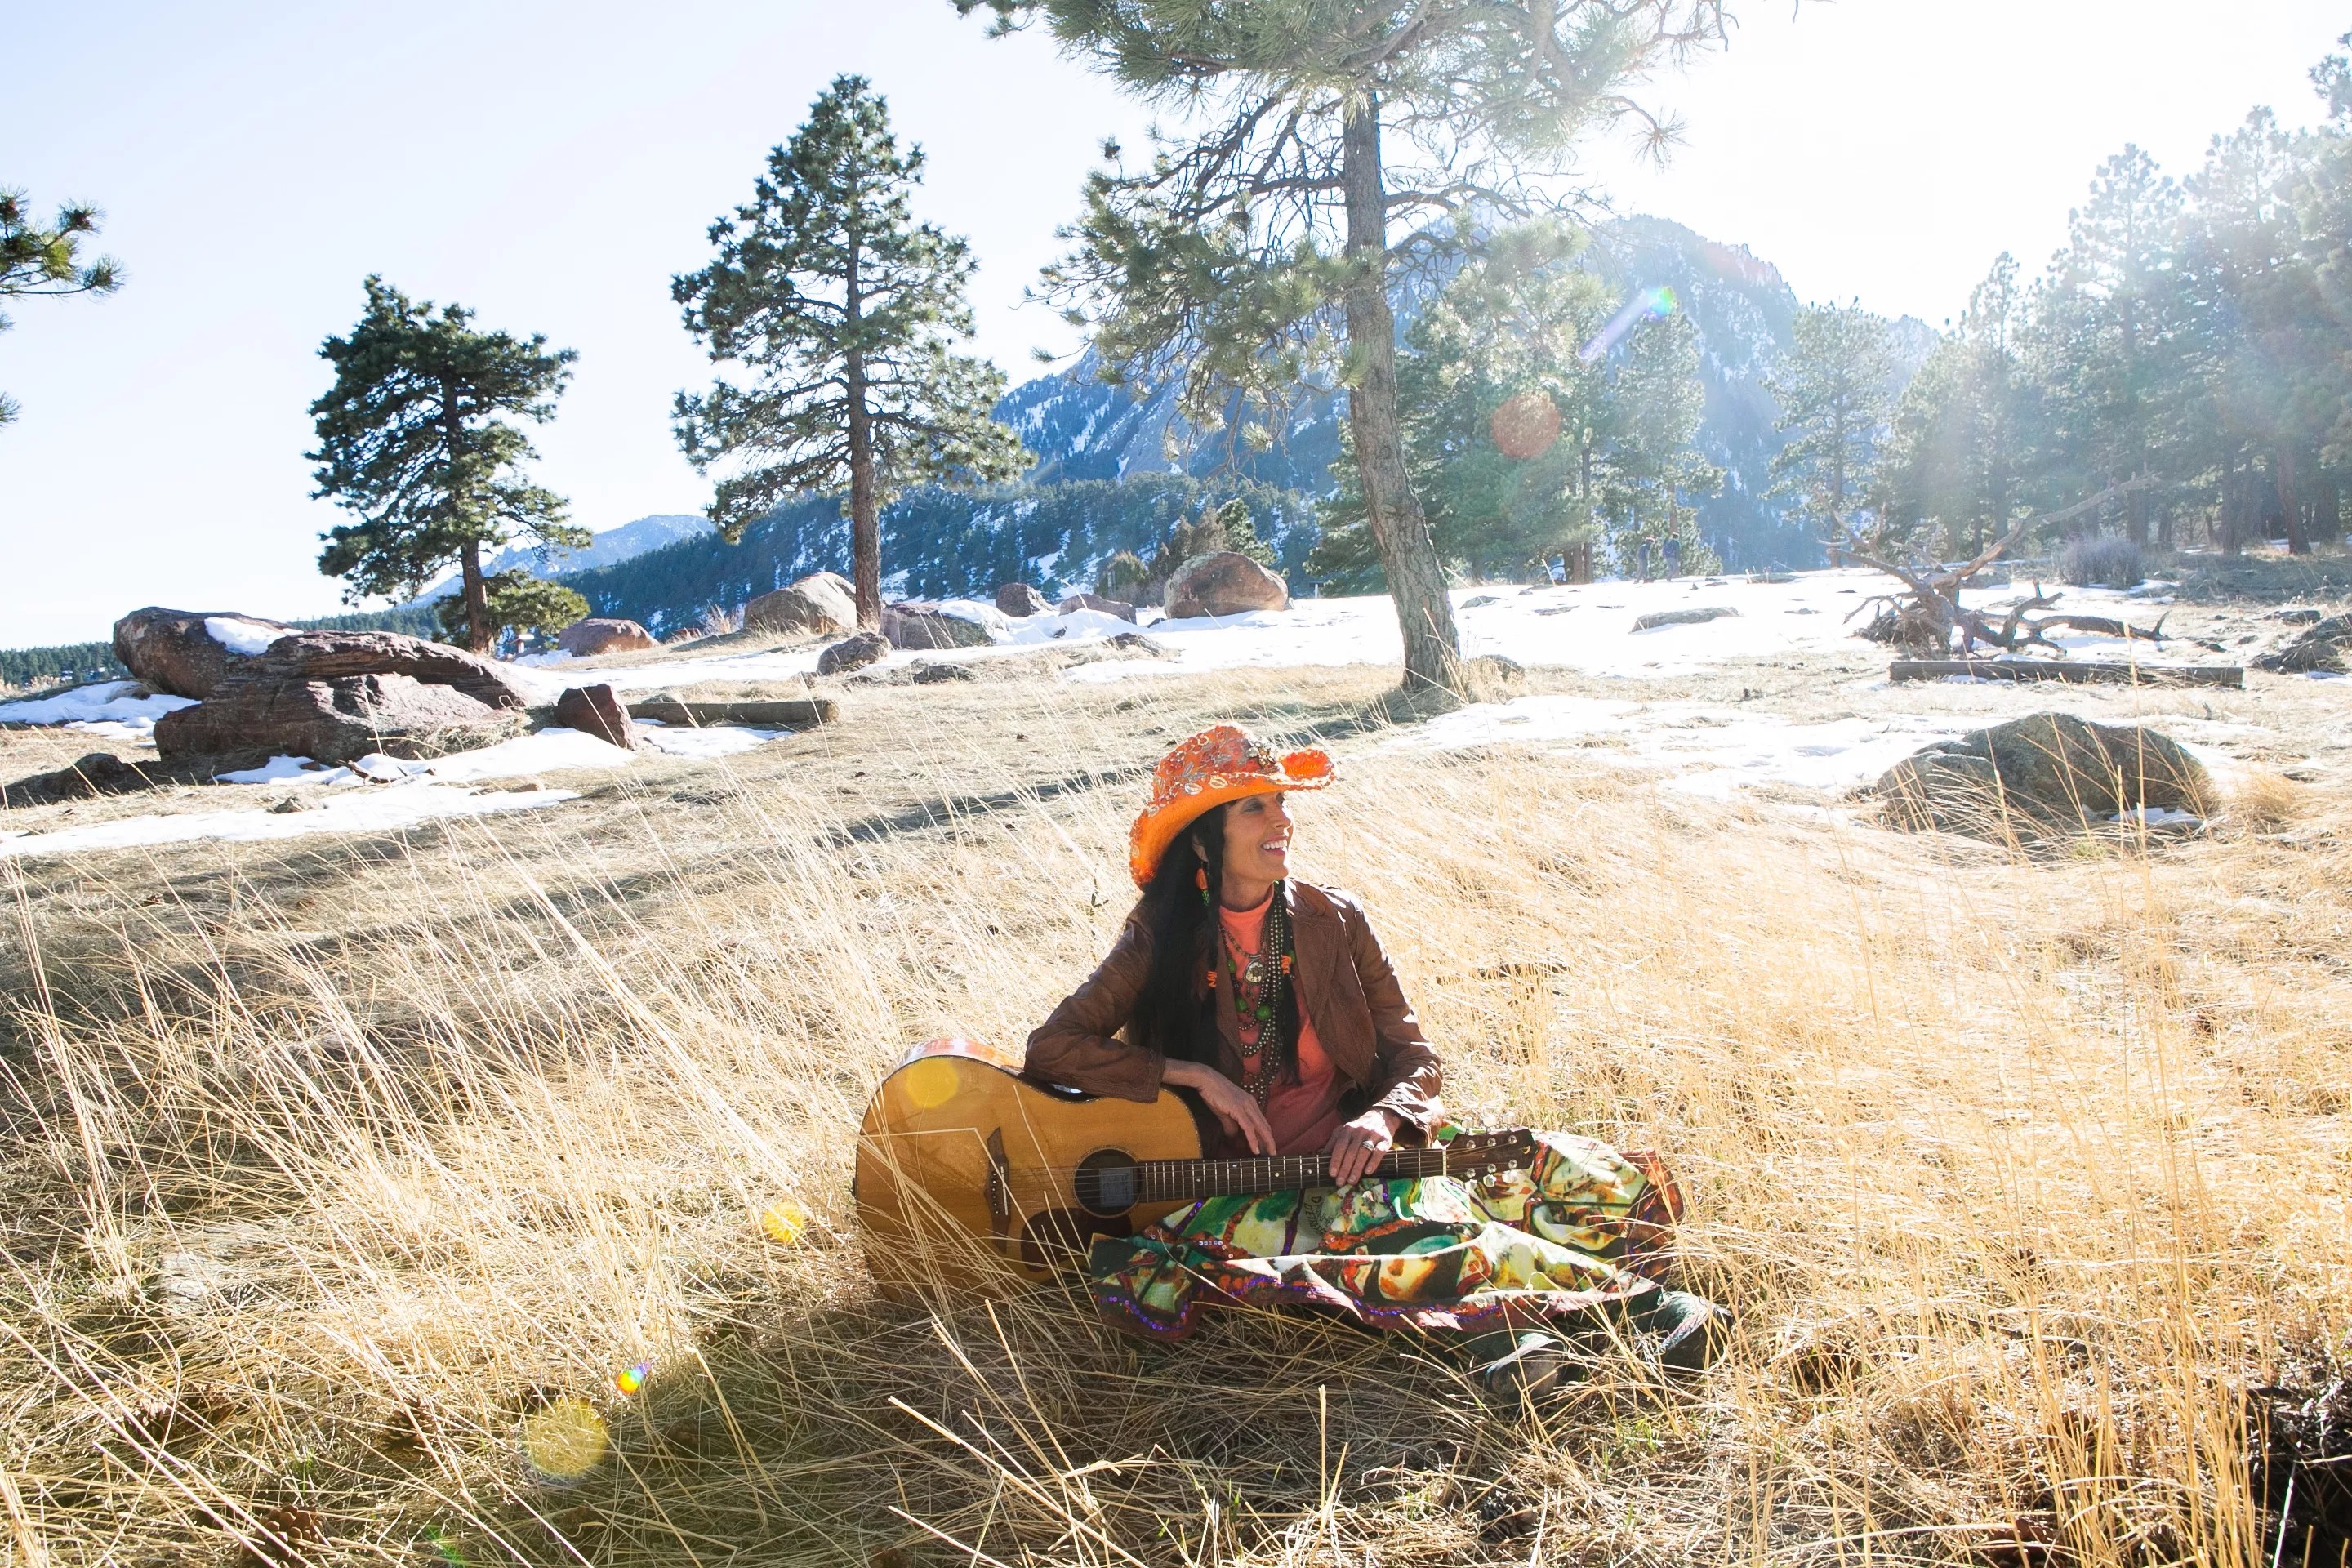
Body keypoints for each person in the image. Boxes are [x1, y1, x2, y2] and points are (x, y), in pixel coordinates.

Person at [1026, 724, 1727, 1398]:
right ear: (1204, 843)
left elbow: (1413, 1055)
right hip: (1242, 1189)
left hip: (1355, 1158)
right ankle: (1615, 1316)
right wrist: (1195, 1076)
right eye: (1254, 808)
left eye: (1280, 801)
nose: (1281, 819)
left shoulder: (1334, 919)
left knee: (1529, 1176)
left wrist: (1382, 1119)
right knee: (1406, 1222)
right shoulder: (1157, 937)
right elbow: (1053, 1047)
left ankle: (1533, 1338)